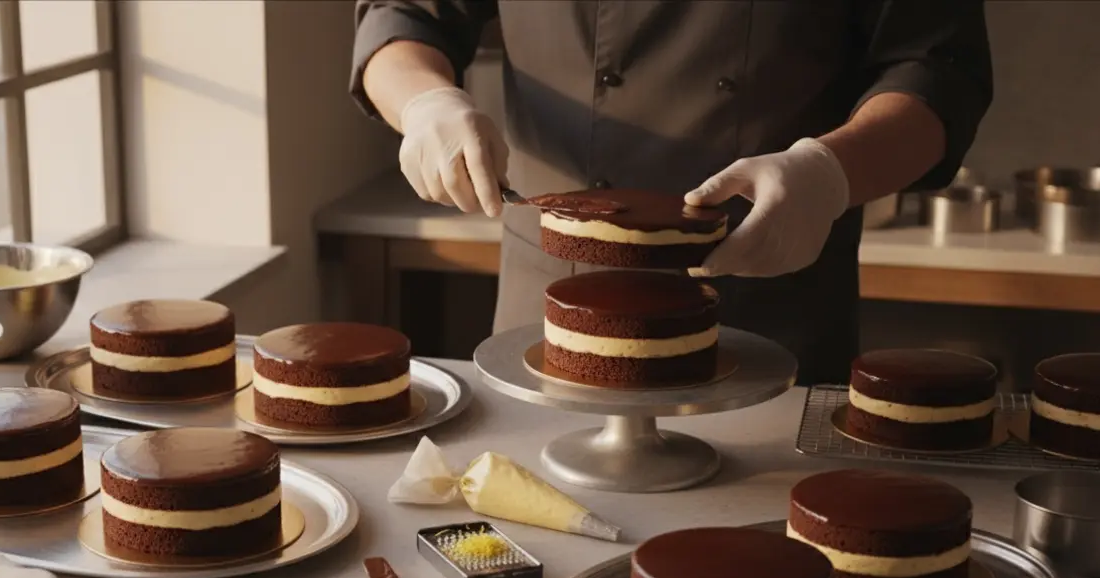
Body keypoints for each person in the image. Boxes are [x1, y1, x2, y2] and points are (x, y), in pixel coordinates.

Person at [351, 1, 992, 385]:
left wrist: (831, 171)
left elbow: (938, 69)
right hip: (547, 303)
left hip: (768, 304)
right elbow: (402, 13)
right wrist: (424, 103)